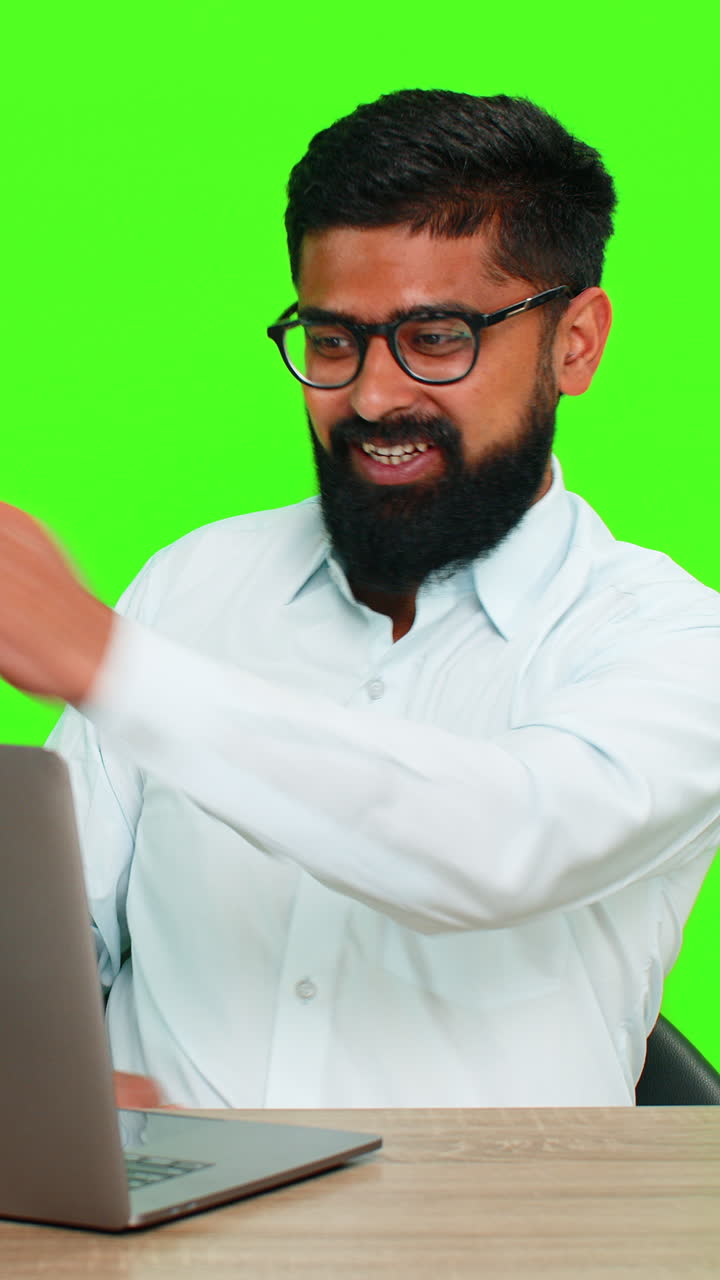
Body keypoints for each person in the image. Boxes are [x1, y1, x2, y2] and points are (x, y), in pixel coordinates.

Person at [1, 89, 720, 1109]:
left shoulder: (676, 642)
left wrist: (106, 659)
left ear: (577, 341)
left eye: (437, 337)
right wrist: (40, 1069)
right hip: (155, 1250)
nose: (375, 396)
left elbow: (499, 843)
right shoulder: (191, 581)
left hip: (501, 1250)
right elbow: (52, 927)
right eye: (333, 339)